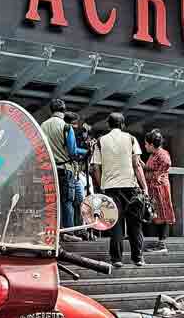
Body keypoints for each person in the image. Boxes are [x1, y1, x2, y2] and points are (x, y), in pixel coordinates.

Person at [91, 112, 149, 267]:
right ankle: (138, 258)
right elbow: (137, 164)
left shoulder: (100, 141)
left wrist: (102, 186)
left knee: (116, 224)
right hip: (131, 187)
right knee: (135, 224)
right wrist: (144, 187)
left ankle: (116, 259)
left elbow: (95, 167)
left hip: (110, 189)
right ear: (123, 125)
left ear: (108, 125)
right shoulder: (131, 139)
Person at [40, 99, 86, 242]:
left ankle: (53, 232)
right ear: (64, 110)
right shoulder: (66, 127)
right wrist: (85, 151)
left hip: (49, 170)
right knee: (67, 202)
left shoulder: (42, 126)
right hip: (65, 170)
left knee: (52, 202)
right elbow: (72, 151)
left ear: (51, 110)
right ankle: (69, 233)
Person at [143, 129, 175, 254]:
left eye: (146, 144)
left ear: (152, 144)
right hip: (153, 188)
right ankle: (160, 242)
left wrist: (155, 175)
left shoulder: (162, 154)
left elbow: (166, 164)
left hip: (160, 188)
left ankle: (162, 244)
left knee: (162, 214)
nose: (145, 146)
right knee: (155, 214)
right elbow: (149, 168)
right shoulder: (153, 154)